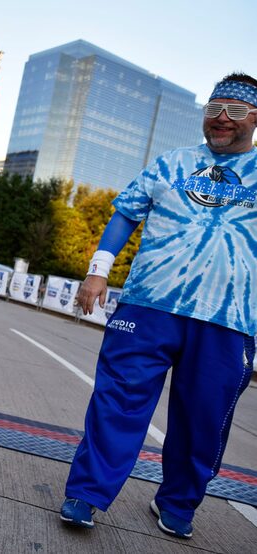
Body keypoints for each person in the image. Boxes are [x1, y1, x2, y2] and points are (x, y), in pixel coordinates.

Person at [59, 73, 257, 539]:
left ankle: (177, 503)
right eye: (214, 109)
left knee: (203, 421)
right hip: (148, 308)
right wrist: (98, 269)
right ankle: (86, 493)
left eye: (236, 110)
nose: (221, 119)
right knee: (117, 404)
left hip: (227, 321)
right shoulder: (173, 162)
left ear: (256, 117)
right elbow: (127, 210)